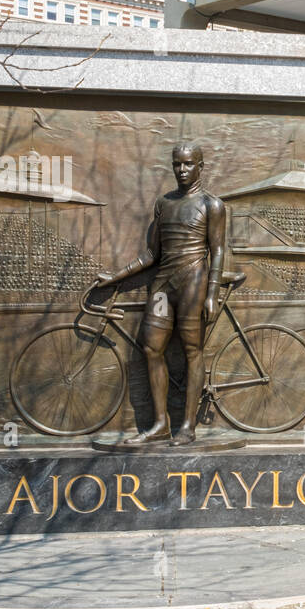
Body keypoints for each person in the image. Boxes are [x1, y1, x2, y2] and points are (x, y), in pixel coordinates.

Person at [93, 143, 226, 445]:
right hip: (164, 285)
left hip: (193, 281)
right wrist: (115, 277)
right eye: (177, 164)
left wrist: (212, 294)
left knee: (193, 351)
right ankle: (160, 425)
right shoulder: (163, 203)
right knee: (151, 348)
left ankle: (188, 426)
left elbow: (217, 251)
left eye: (188, 164)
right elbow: (152, 254)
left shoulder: (212, 205)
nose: (182, 170)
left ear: (200, 166)